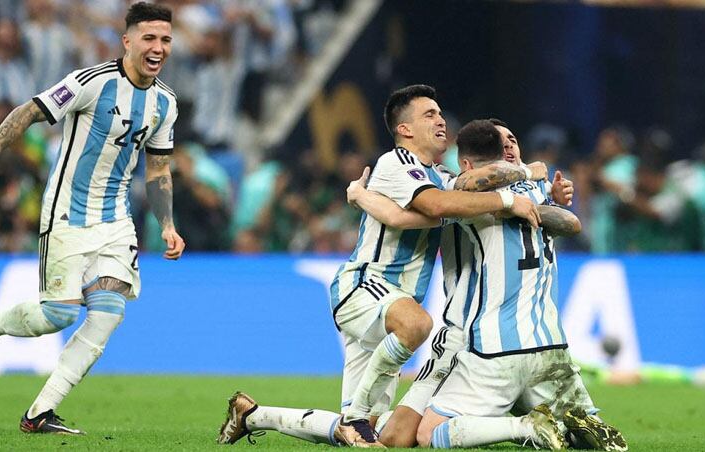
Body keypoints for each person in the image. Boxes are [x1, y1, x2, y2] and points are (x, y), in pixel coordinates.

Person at [218, 85, 547, 447]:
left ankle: (253, 415)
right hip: (367, 287)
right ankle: (358, 417)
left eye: (440, 113)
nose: (440, 120)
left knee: (371, 436)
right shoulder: (397, 164)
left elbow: (414, 213)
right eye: (429, 115)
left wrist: (538, 184)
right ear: (405, 130)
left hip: (392, 305)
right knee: (418, 324)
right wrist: (505, 199)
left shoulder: (441, 177)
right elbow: (436, 206)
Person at [0, 2, 184, 435]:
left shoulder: (165, 104)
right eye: (149, 38)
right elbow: (27, 112)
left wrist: (167, 224)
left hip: (116, 220)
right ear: (127, 40)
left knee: (109, 312)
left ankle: (39, 413)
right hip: (68, 213)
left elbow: (158, 170)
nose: (158, 47)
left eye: (165, 39)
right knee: (57, 316)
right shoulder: (91, 82)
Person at [412, 120, 626, 451]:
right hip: (550, 344)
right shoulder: (535, 189)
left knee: (429, 433)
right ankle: (579, 431)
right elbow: (572, 224)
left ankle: (524, 427)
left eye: (514, 139)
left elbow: (464, 188)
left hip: (496, 345)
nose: (511, 147)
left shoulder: (469, 192)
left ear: (466, 162)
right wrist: (545, 196)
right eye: (505, 142)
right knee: (576, 431)